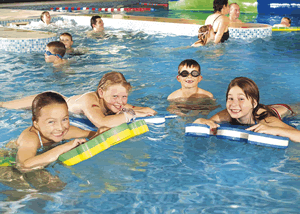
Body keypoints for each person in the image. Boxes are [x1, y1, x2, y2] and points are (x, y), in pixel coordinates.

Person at [0, 72, 156, 128]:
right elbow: (102, 122)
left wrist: (142, 110)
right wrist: (131, 114)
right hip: (46, 100)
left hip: (59, 103)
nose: (120, 101)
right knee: (4, 106)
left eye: (124, 97)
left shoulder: (116, 103)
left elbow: (146, 110)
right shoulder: (90, 100)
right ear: (101, 92)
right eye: (114, 96)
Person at [13, 92, 108, 173]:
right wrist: (65, 147)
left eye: (64, 119)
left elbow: (92, 135)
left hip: (40, 158)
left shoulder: (66, 131)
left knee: (55, 184)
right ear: (36, 123)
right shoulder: (30, 138)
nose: (60, 127)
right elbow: (23, 165)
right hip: (10, 162)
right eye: (51, 122)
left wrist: (100, 132)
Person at [193, 77, 299, 142]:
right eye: (230, 98)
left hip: (284, 110)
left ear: (253, 103)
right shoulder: (228, 113)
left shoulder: (267, 120)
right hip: (255, 107)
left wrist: (273, 130)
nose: (234, 104)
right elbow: (208, 123)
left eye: (241, 99)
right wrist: (202, 121)